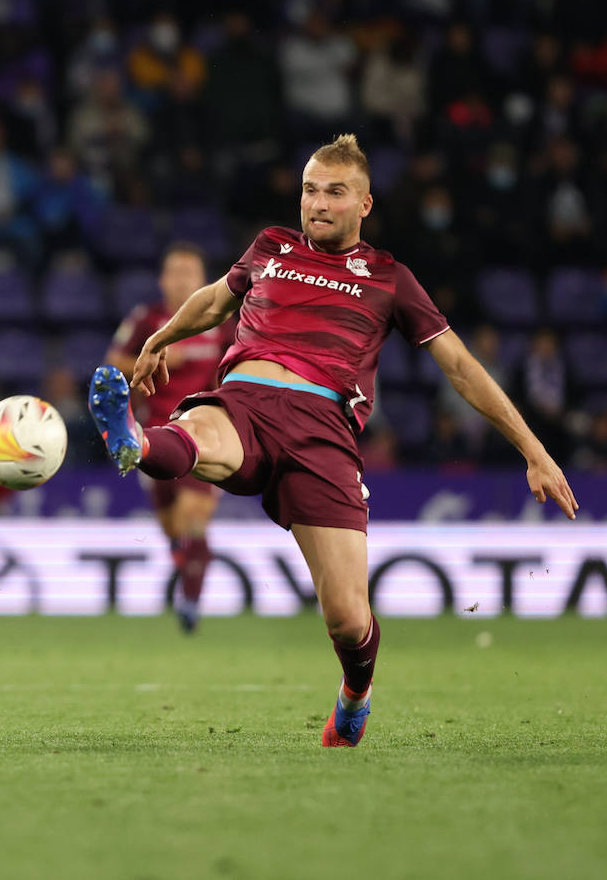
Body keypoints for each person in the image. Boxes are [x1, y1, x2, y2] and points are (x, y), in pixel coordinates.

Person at [88, 135, 577, 747]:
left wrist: (533, 449)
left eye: (334, 193)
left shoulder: (389, 278)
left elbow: (459, 366)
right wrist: (158, 338)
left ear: (364, 204)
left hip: (323, 430)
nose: (317, 204)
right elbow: (216, 301)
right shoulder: (270, 247)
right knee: (194, 434)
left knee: (347, 618)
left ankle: (355, 694)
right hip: (245, 398)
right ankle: (134, 440)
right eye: (309, 190)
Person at [105, 243, 226, 633]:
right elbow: (112, 365)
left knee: (194, 517)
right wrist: (154, 355)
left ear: (203, 280)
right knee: (174, 530)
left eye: (189, 272)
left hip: (201, 432)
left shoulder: (221, 321)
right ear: (162, 279)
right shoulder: (147, 320)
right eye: (174, 272)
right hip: (151, 437)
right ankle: (186, 566)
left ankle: (190, 600)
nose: (182, 280)